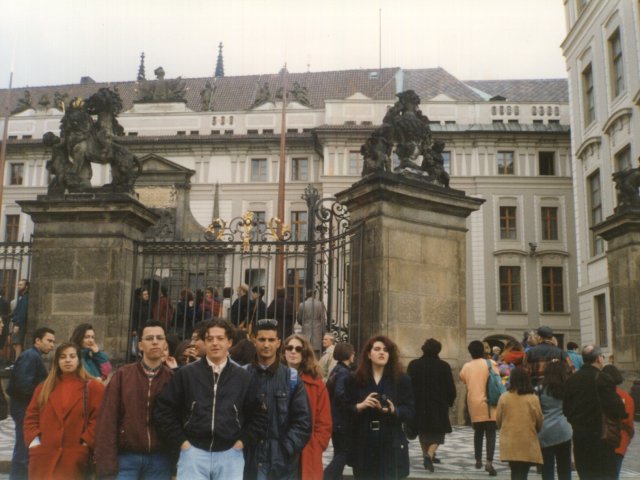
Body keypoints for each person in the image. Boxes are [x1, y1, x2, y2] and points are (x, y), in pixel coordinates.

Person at [155, 318, 267, 479]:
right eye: (210, 339)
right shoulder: (186, 374)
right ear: (204, 342)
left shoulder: (243, 377)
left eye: (220, 338)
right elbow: (164, 409)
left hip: (230, 455)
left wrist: (241, 443)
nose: (215, 343)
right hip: (193, 453)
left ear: (229, 342)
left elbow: (259, 415)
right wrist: (182, 442)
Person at [95, 321, 174, 478]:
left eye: (159, 337)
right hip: (126, 458)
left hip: (160, 459)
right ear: (140, 345)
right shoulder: (123, 376)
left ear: (165, 343)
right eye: (149, 338)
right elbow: (107, 420)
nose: (155, 342)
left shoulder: (173, 378)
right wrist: (106, 462)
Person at [23, 342, 105, 479]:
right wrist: (34, 443)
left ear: (79, 360)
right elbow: (31, 417)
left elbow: (98, 419)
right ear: (57, 361)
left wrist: (85, 443)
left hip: (74, 457)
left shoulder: (94, 388)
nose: (67, 360)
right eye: (63, 357)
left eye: (72, 356)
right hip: (44, 457)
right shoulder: (43, 388)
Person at [244, 318, 312, 480]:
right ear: (254, 341)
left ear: (278, 343)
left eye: (271, 340)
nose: (266, 345)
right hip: (249, 460)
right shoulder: (242, 375)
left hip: (282, 464)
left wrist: (286, 449)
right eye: (262, 339)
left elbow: (303, 422)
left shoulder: (291, 378)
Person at [345, 335, 415, 480]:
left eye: (386, 350)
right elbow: (344, 409)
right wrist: (360, 406)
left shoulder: (402, 379)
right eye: (377, 349)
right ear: (369, 354)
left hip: (391, 440)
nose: (382, 352)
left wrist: (394, 410)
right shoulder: (354, 379)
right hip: (363, 440)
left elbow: (410, 411)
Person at [563, 345, 626, 480]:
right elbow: (617, 407)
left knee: (585, 474)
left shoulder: (572, 380)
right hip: (600, 436)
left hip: (580, 435)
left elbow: (566, 409)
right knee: (602, 473)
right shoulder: (603, 378)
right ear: (599, 359)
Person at [7, 326, 55, 480]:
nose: (52, 345)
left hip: (24, 406)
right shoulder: (30, 356)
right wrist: (40, 400)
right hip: (23, 407)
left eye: (53, 341)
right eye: (49, 340)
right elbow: (23, 385)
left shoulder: (34, 356)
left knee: (24, 446)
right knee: (23, 447)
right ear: (38, 341)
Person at [283, 334, 332, 480]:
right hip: (280, 448)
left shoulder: (316, 384)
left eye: (298, 349)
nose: (293, 351)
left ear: (305, 354)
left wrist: (317, 445)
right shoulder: (274, 377)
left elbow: (324, 422)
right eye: (289, 348)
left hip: (307, 449)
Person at [407, 338, 456, 472]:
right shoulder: (444, 366)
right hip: (438, 405)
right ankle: (429, 454)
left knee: (422, 431)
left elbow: (408, 386)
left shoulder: (414, 364)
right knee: (439, 433)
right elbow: (451, 387)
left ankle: (425, 454)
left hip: (419, 405)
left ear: (423, 348)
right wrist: (450, 401)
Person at [459, 340, 499, 476]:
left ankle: (478, 459)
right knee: (491, 433)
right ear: (483, 350)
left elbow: (463, 379)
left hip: (474, 403)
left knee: (478, 432)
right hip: (489, 402)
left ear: (470, 352)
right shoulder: (491, 364)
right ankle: (489, 461)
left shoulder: (466, 366)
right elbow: (497, 381)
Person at [496, 367, 543, 480]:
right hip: (527, 439)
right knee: (523, 472)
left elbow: (498, 420)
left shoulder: (504, 397)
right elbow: (539, 420)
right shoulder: (533, 397)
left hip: (510, 439)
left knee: (514, 471)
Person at [534, 361, 573, 480]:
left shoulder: (539, 389)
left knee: (547, 468)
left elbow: (536, 411)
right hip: (564, 430)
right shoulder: (567, 388)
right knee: (565, 467)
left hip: (545, 431)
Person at [324, 342, 355, 480]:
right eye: (353, 352)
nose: (354, 355)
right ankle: (325, 476)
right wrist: (352, 404)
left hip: (334, 419)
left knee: (339, 452)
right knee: (344, 452)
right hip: (341, 419)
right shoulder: (344, 372)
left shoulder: (336, 369)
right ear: (348, 354)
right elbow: (339, 394)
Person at [602, 364, 635, 477]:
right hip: (619, 441)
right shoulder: (626, 397)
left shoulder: (595, 395)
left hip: (598, 440)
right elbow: (628, 422)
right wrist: (630, 435)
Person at [9, 279, 30, 362]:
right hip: (17, 321)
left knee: (17, 343)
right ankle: (18, 361)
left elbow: (23, 311)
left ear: (26, 286)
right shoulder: (21, 296)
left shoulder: (25, 297)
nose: (19, 286)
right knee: (15, 343)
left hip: (19, 323)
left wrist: (17, 324)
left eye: (21, 285)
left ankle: (17, 361)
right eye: (18, 285)